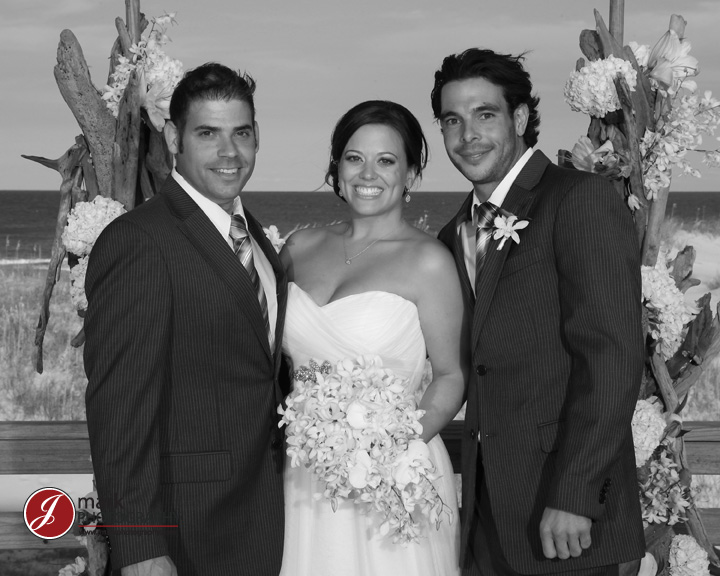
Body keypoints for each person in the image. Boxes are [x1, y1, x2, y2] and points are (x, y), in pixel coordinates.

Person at [432, 49, 645, 576]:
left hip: (568, 518)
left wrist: (576, 493)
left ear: (521, 117)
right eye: (452, 120)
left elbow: (612, 357)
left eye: (485, 114)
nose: (467, 135)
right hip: (486, 519)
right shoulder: (452, 233)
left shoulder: (579, 199)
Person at [84, 63, 287, 576]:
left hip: (265, 511)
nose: (229, 152)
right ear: (174, 137)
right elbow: (119, 408)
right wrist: (140, 545)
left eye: (241, 133)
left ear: (257, 137)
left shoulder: (253, 237)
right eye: (208, 134)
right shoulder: (139, 242)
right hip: (187, 528)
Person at [278, 100, 467, 576]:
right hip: (303, 474)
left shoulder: (429, 262)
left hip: (391, 478)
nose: (368, 174)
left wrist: (389, 451)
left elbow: (450, 376)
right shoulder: (299, 248)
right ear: (337, 168)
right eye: (354, 158)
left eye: (386, 161)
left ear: (411, 175)